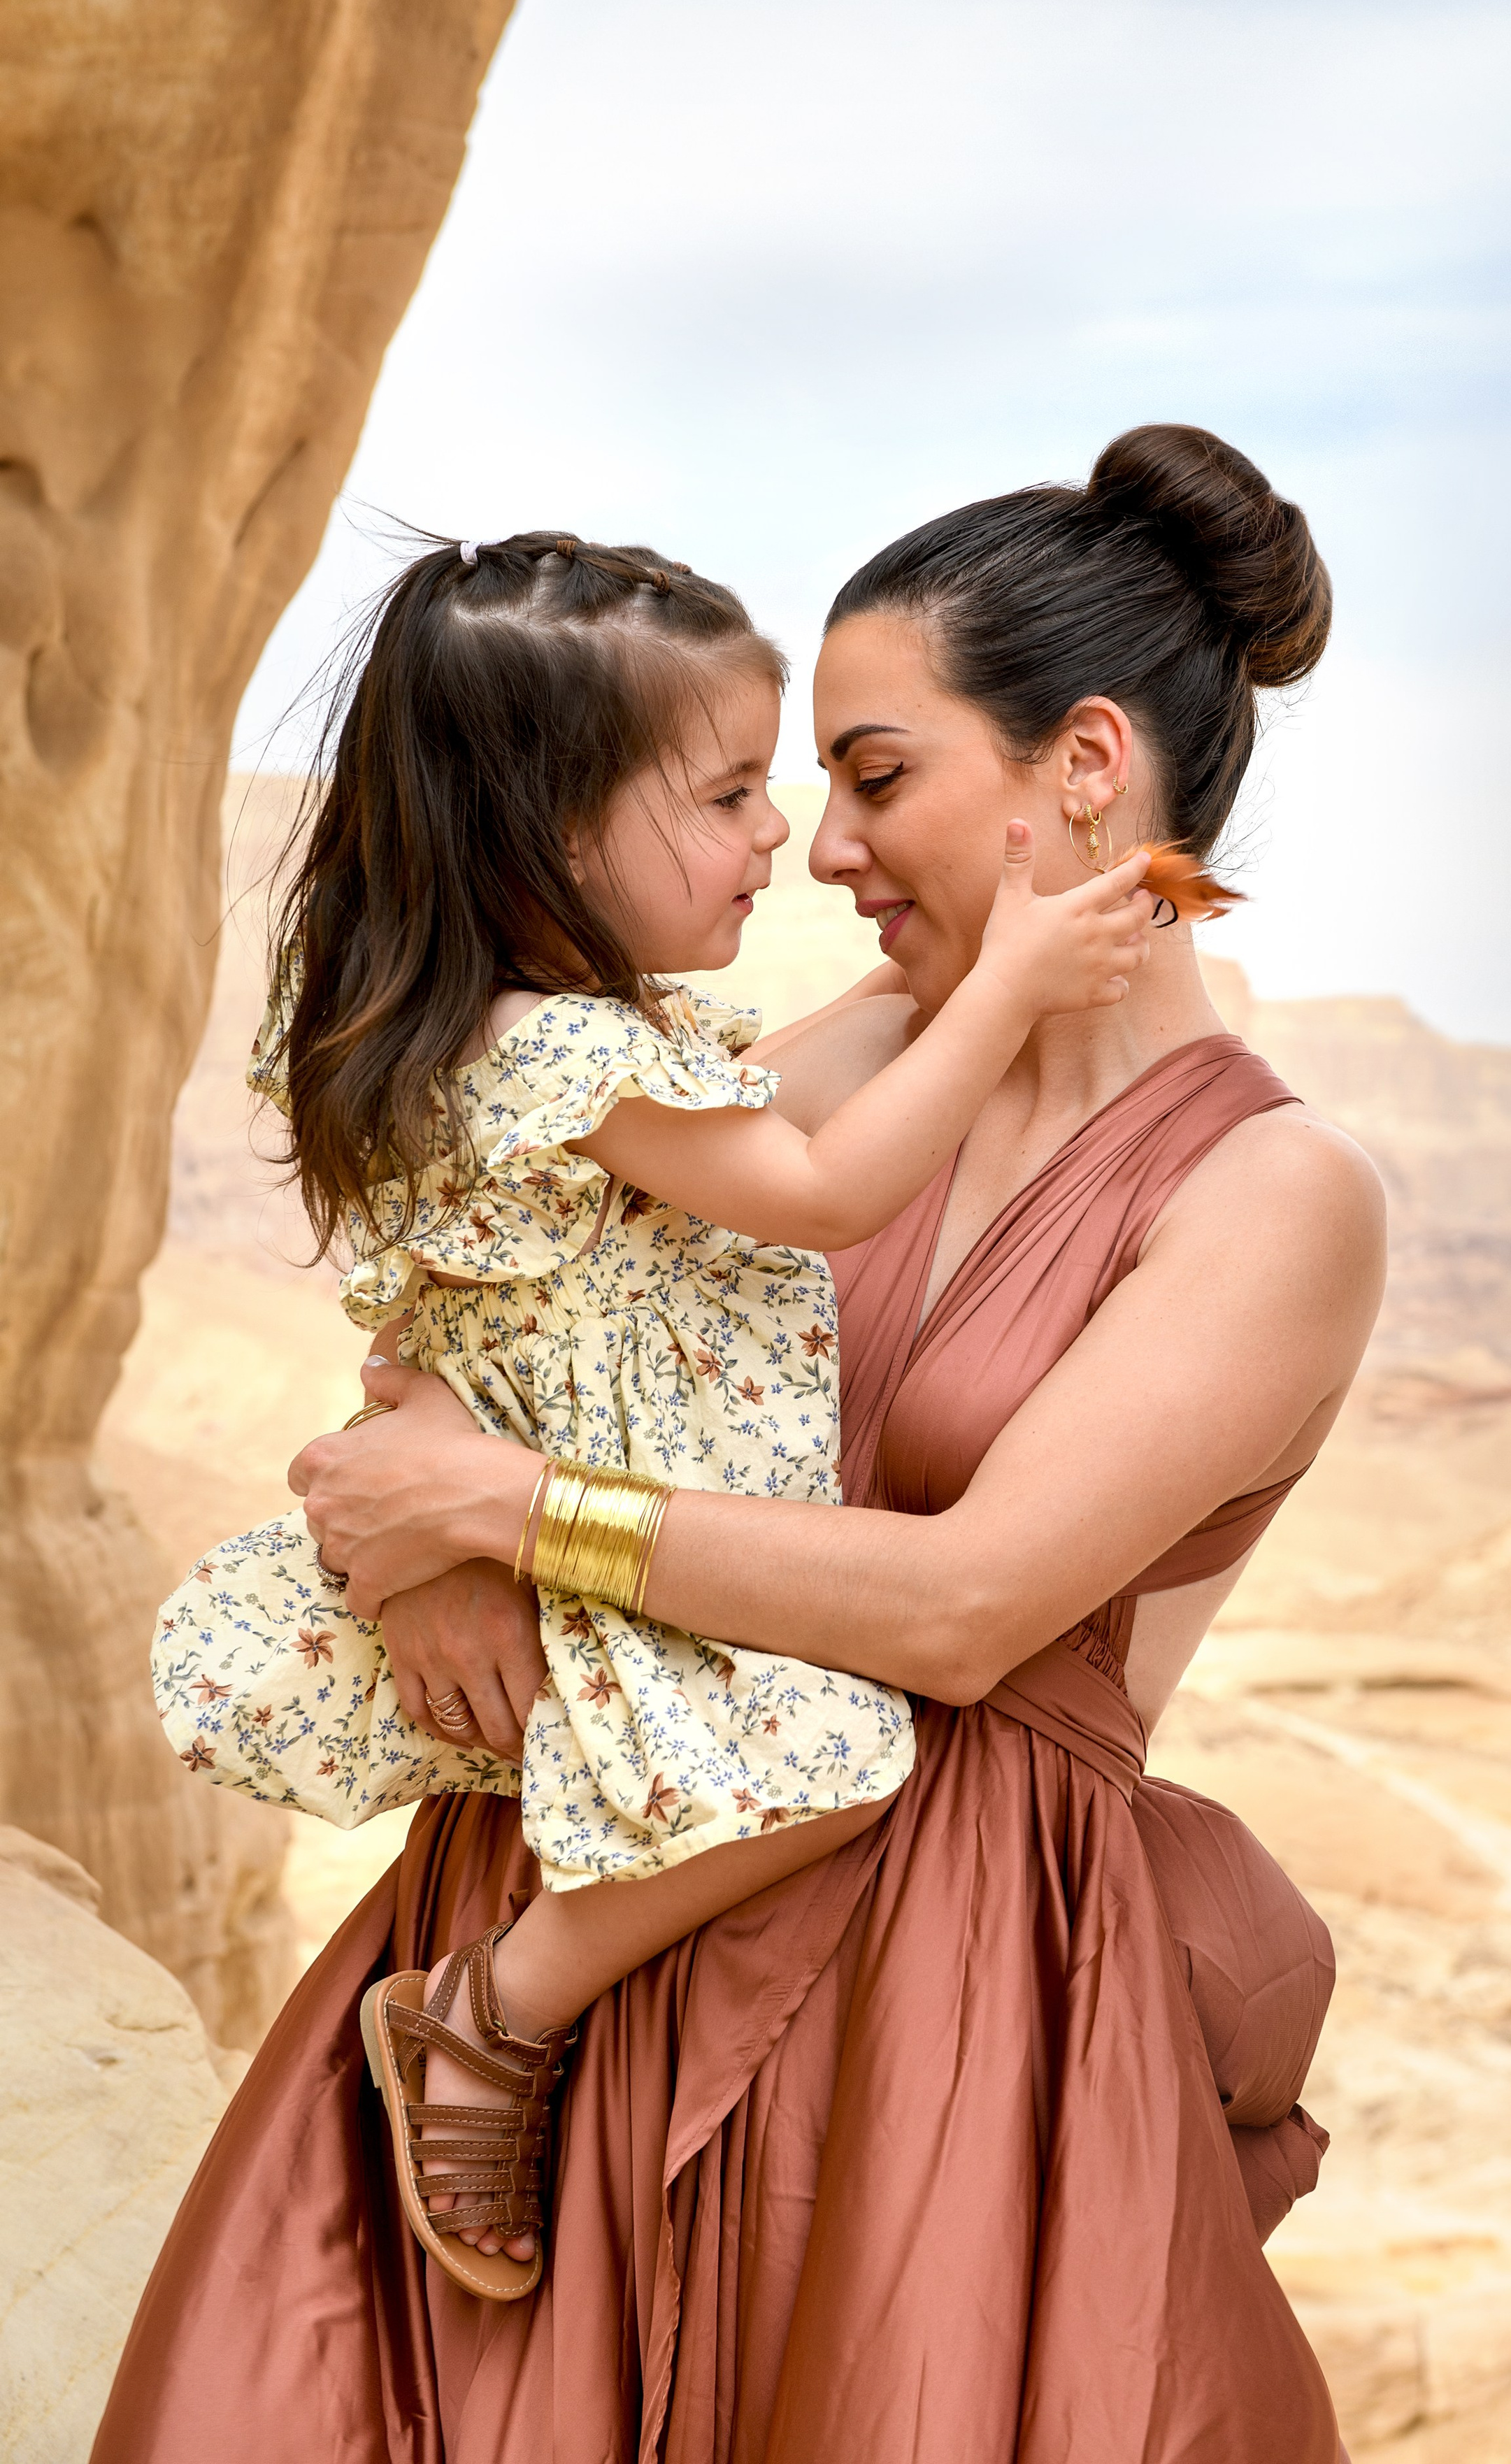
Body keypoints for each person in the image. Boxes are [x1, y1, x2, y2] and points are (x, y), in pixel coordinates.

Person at [96, 423, 1385, 2464]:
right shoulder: (842, 1066)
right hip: (590, 1897)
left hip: (941, 1988)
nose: (821, 844)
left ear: (1085, 769)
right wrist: (415, 1512)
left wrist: (509, 1512)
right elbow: (511, 1308)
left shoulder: (1273, 1196)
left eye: (876, 775)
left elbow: (965, 1613)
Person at [150, 527, 1153, 2294]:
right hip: (610, 1554)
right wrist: (999, 984)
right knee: (833, 1770)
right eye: (730, 795)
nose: (788, 839)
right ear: (552, 833)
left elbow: (797, 1079)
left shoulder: (553, 1037)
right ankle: (491, 2012)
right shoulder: (565, 1055)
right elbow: (826, 1184)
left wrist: (960, 956)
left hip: (561, 1526)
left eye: (819, 785)